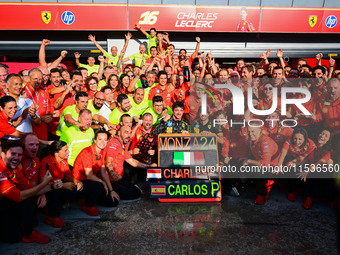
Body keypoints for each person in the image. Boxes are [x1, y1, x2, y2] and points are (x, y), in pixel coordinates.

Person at [0, 140, 52, 243]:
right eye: (13, 154)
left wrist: (54, 186)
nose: (16, 158)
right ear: (3, 154)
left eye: (19, 155)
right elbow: (18, 196)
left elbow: (30, 188)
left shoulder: (14, 169)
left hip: (4, 203)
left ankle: (29, 232)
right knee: (13, 238)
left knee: (28, 198)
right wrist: (44, 183)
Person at [72, 130, 120, 214]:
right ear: (94, 140)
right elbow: (89, 176)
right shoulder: (87, 152)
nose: (103, 142)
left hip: (92, 182)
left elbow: (103, 172)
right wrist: (103, 183)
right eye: (100, 139)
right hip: (80, 183)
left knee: (113, 202)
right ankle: (88, 205)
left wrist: (111, 190)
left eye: (105, 140)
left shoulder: (101, 152)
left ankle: (89, 197)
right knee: (100, 185)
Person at [105, 125, 157, 202]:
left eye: (130, 133)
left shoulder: (120, 144)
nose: (128, 135)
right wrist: (113, 174)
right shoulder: (115, 143)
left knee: (135, 190)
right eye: (126, 132)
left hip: (117, 178)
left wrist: (149, 166)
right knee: (135, 193)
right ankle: (108, 193)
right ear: (119, 133)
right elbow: (108, 160)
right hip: (111, 180)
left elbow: (133, 162)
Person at [39, 140, 82, 227]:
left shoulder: (64, 160)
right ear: (56, 153)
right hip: (49, 189)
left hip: (60, 186)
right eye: (65, 150)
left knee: (75, 188)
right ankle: (53, 217)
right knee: (54, 191)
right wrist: (63, 185)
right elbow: (42, 182)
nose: (68, 152)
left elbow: (67, 176)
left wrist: (76, 181)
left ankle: (56, 206)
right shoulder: (46, 161)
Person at [243, 122, 280, 205]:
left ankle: (262, 194)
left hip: (273, 167)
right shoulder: (254, 139)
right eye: (248, 131)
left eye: (253, 131)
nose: (250, 134)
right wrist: (247, 158)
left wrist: (249, 161)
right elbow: (253, 150)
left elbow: (265, 164)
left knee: (259, 171)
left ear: (259, 130)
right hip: (262, 161)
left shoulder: (265, 142)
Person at [277, 128, 316, 201]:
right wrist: (279, 165)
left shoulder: (310, 144)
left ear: (305, 138)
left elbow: (305, 158)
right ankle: (290, 190)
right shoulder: (289, 140)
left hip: (306, 160)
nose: (297, 141)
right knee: (289, 168)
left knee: (300, 172)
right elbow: (283, 153)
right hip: (291, 157)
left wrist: (295, 162)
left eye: (300, 139)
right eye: (295, 138)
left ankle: (300, 192)